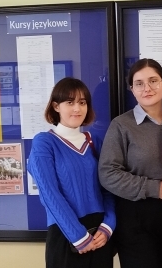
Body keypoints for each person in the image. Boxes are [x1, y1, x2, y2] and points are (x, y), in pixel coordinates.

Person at [98, 59, 162, 268]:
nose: (147, 88)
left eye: (153, 81)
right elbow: (107, 174)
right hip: (135, 219)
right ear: (132, 89)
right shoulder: (121, 125)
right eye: (139, 83)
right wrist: (156, 188)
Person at [27, 77, 115, 268]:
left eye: (82, 103)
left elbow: (108, 189)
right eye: (70, 102)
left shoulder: (94, 141)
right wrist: (79, 236)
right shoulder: (44, 142)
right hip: (66, 235)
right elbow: (49, 194)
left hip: (99, 236)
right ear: (56, 106)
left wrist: (108, 226)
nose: (77, 108)